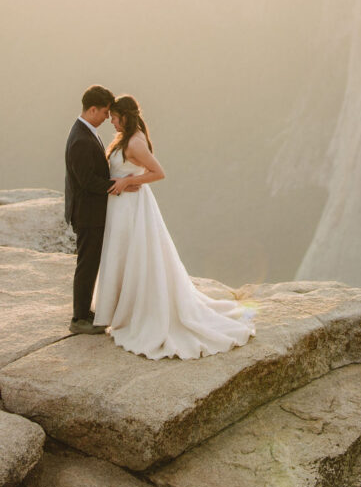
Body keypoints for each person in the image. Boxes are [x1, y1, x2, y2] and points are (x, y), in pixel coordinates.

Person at [92, 94, 255, 359]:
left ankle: (130, 311)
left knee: (131, 255)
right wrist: (125, 180)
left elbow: (158, 172)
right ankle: (118, 308)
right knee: (121, 254)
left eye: (114, 116)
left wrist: (124, 183)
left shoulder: (134, 141)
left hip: (131, 207)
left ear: (125, 115)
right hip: (122, 206)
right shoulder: (127, 138)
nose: (110, 120)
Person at [64, 85, 138, 335]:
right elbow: (87, 181)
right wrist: (119, 185)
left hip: (91, 212)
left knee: (91, 262)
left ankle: (85, 311)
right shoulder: (81, 140)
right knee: (87, 264)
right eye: (105, 112)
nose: (108, 117)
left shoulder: (86, 132)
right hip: (87, 214)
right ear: (92, 109)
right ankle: (79, 318)